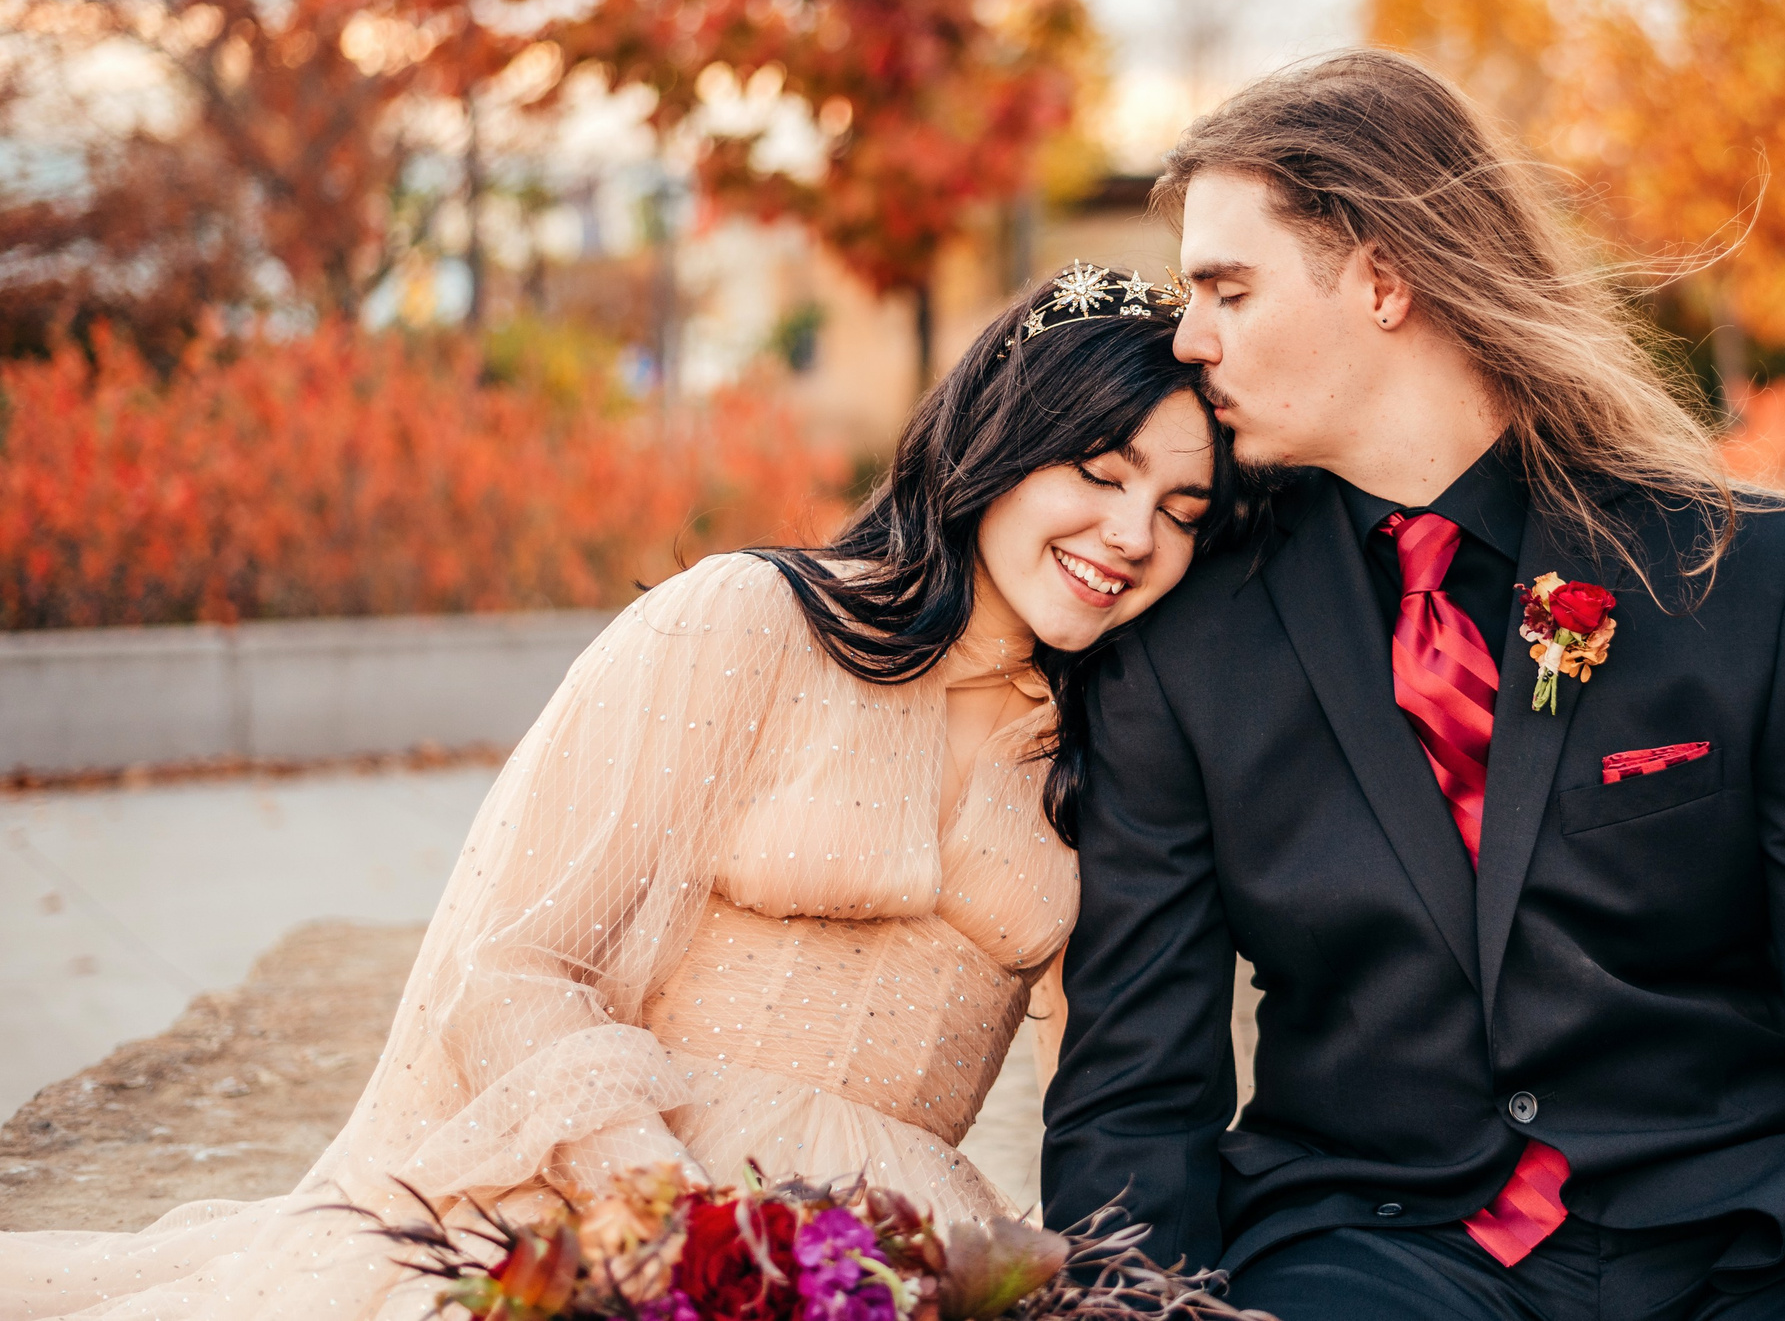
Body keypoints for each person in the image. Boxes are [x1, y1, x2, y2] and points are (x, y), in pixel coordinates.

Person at [0, 264, 1229, 1321]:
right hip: (613, 1206)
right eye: (1101, 470)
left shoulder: (1104, 738)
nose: (1133, 533)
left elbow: (1110, 1070)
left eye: (1180, 510)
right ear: (1001, 442)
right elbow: (513, 966)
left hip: (881, 1256)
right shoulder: (750, 622)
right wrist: (668, 1225)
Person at [1041, 52, 1785, 1321]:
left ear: (1381, 275)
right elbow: (1138, 1083)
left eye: (1228, 289)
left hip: (1752, 1243)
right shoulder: (1182, 639)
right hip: (1376, 1249)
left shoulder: (1746, 577)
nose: (1189, 338)